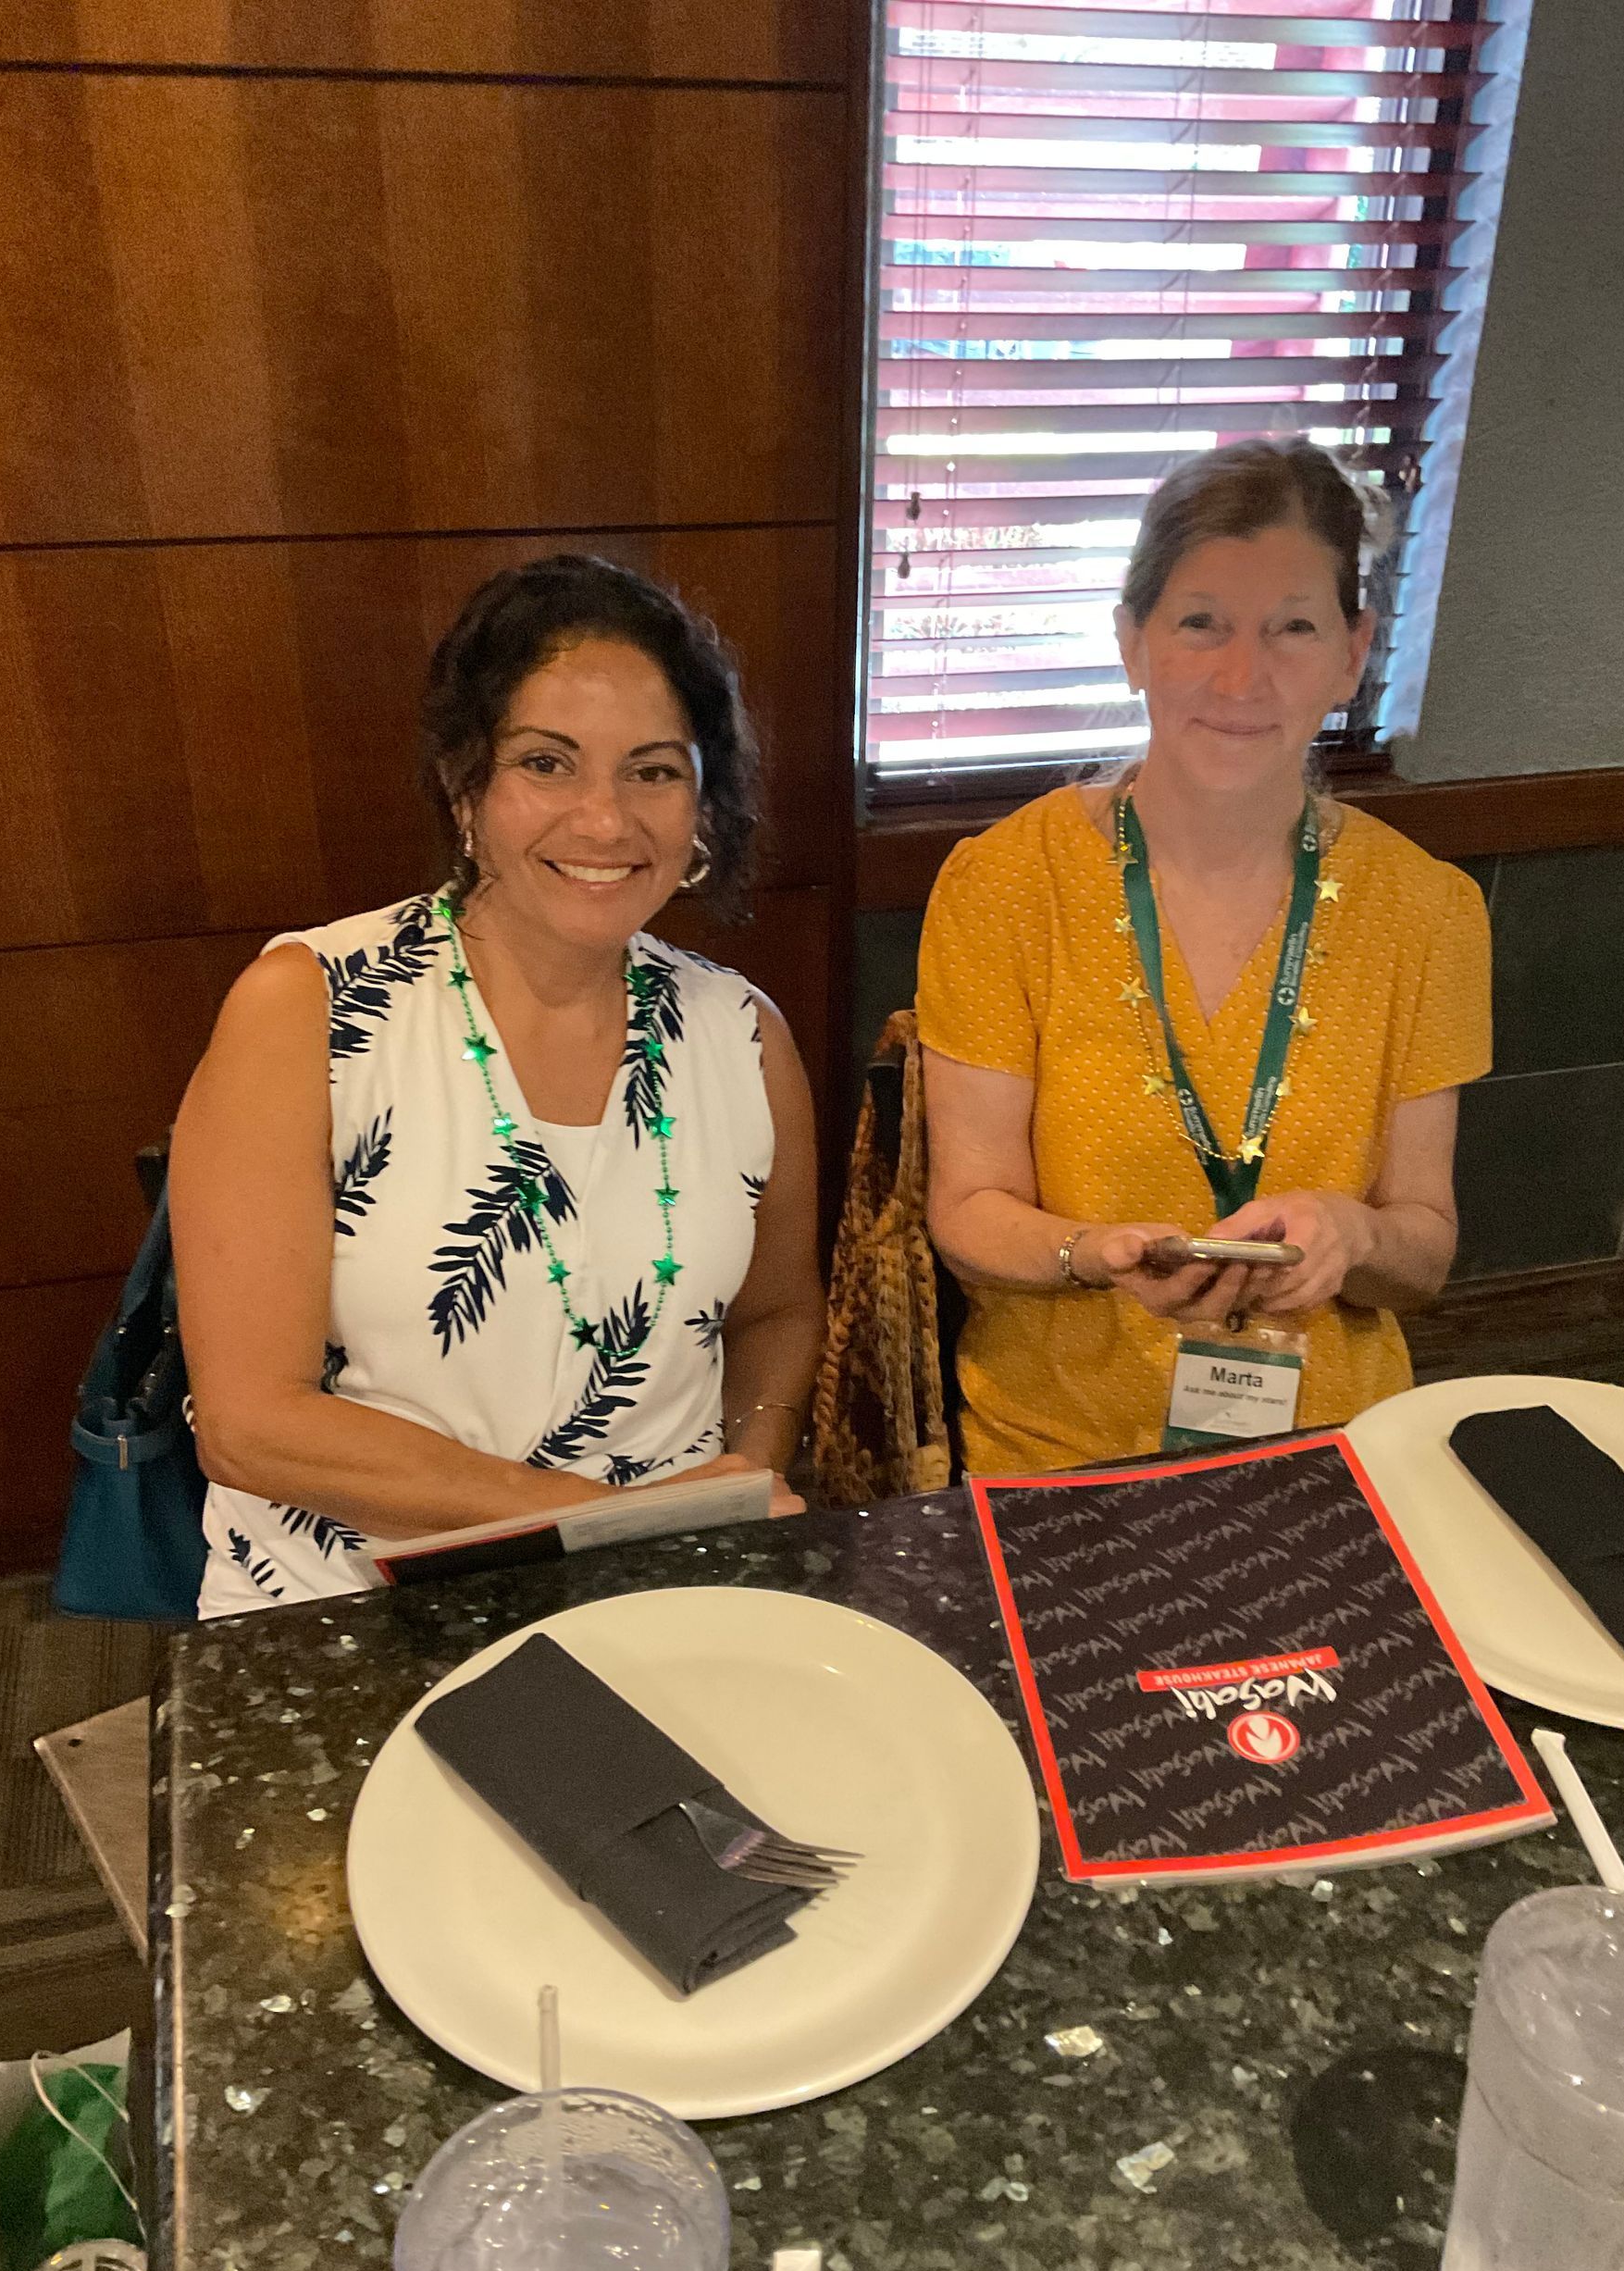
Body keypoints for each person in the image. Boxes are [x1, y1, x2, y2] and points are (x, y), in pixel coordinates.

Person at [170, 555, 824, 1615]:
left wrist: (743, 1474)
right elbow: (251, 1424)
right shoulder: (308, 1006)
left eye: (653, 770)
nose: (606, 822)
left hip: (661, 1581)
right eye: (547, 763)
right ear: (464, 781)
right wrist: (587, 1521)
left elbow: (780, 1312)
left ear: (703, 801)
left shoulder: (743, 1035)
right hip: (350, 1605)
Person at [917, 438, 1491, 1476]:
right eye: (1201, 624)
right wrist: (1090, 1256)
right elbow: (966, 1211)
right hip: (1058, 1448)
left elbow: (1426, 1248)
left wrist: (1351, 1234)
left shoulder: (1429, 910)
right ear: (1133, 642)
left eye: (1293, 628)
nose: (1243, 676)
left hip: (1335, 1447)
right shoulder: (1004, 884)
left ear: (1352, 654)